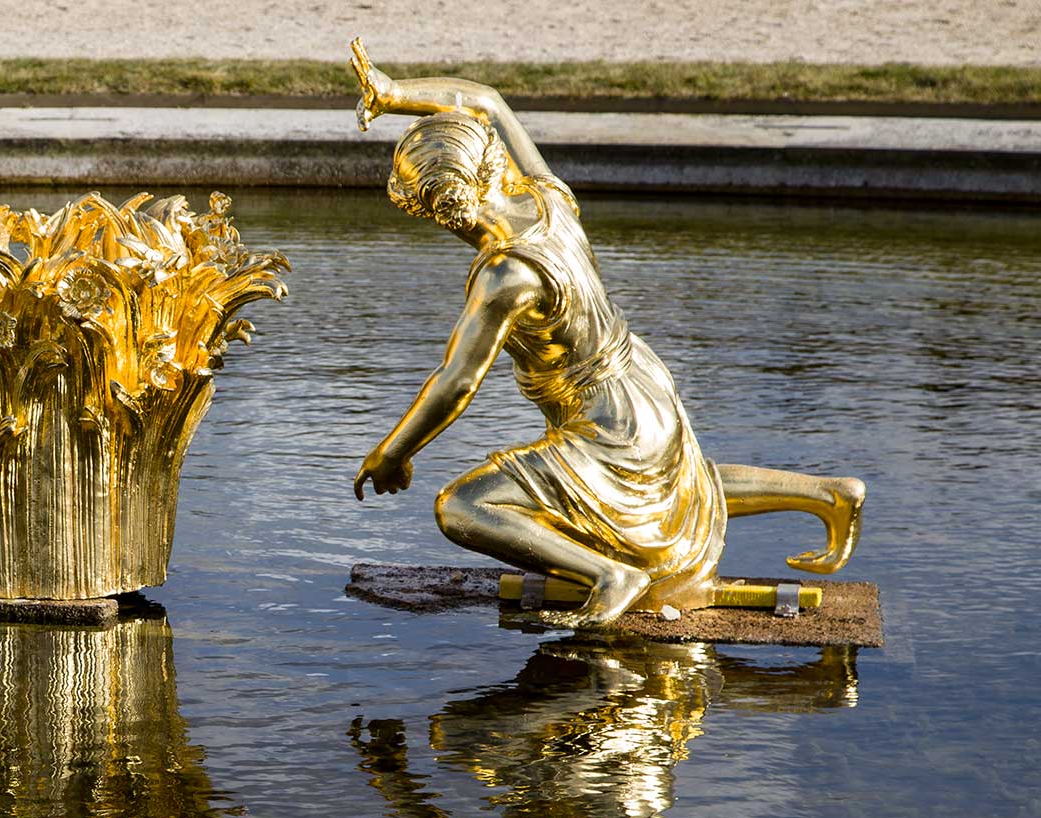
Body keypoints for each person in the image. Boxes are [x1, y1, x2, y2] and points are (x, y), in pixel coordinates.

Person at [348, 40, 863, 625]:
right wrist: (395, 95)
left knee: (463, 507)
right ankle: (827, 493)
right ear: (491, 164)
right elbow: (486, 101)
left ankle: (611, 577)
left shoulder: (503, 275)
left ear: (432, 209)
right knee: (662, 489)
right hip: (641, 382)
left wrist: (391, 454)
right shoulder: (549, 202)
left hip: (605, 420)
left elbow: (457, 380)